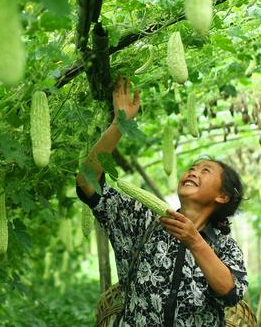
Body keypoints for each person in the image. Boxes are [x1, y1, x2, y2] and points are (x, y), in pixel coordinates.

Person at [76, 76, 248, 327]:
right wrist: (120, 123)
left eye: (205, 171)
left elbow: (230, 293)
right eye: (192, 167)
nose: (193, 172)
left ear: (222, 196)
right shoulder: (142, 219)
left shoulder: (224, 248)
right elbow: (87, 183)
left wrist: (194, 241)